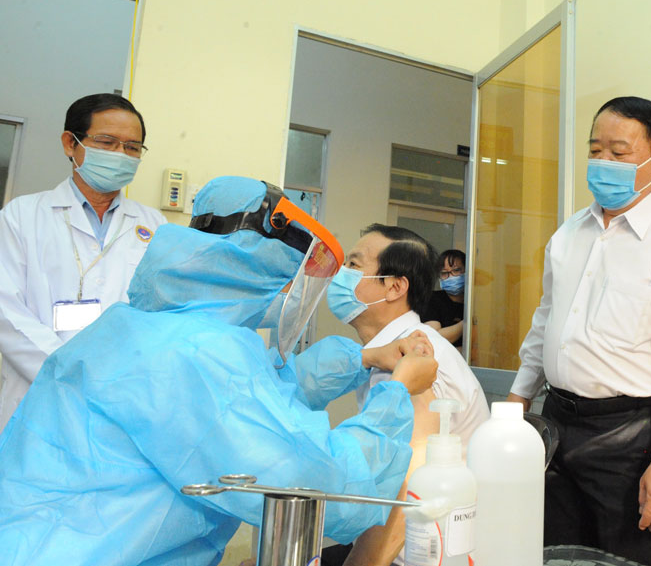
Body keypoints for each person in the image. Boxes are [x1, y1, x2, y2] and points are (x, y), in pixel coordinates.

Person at [0, 177, 438, 566]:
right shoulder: (200, 351)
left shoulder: (147, 325)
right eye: (290, 279)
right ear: (257, 267)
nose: (292, 292)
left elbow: (260, 392)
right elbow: (315, 482)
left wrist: (363, 359)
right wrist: (397, 392)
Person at [508, 96, 651, 566]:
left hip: (627, 437)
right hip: (556, 423)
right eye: (595, 150)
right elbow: (546, 320)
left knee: (626, 557)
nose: (602, 161)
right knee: (552, 553)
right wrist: (518, 397)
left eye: (618, 152)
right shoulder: (568, 235)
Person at [321, 225, 488, 566]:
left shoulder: (417, 359)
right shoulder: (389, 351)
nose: (341, 274)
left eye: (353, 265)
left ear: (395, 287)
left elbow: (409, 493)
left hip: (426, 550)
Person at [0, 93, 166, 432]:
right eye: (106, 142)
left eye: (132, 148)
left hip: (124, 398)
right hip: (40, 393)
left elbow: (162, 312)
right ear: (70, 144)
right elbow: (7, 312)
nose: (120, 155)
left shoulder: (154, 225)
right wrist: (72, 372)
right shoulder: (21, 215)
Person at [422, 248, 466, 348]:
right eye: (444, 273)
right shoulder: (432, 299)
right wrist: (466, 323)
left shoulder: (472, 301)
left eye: (456, 270)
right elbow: (434, 337)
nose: (450, 276)